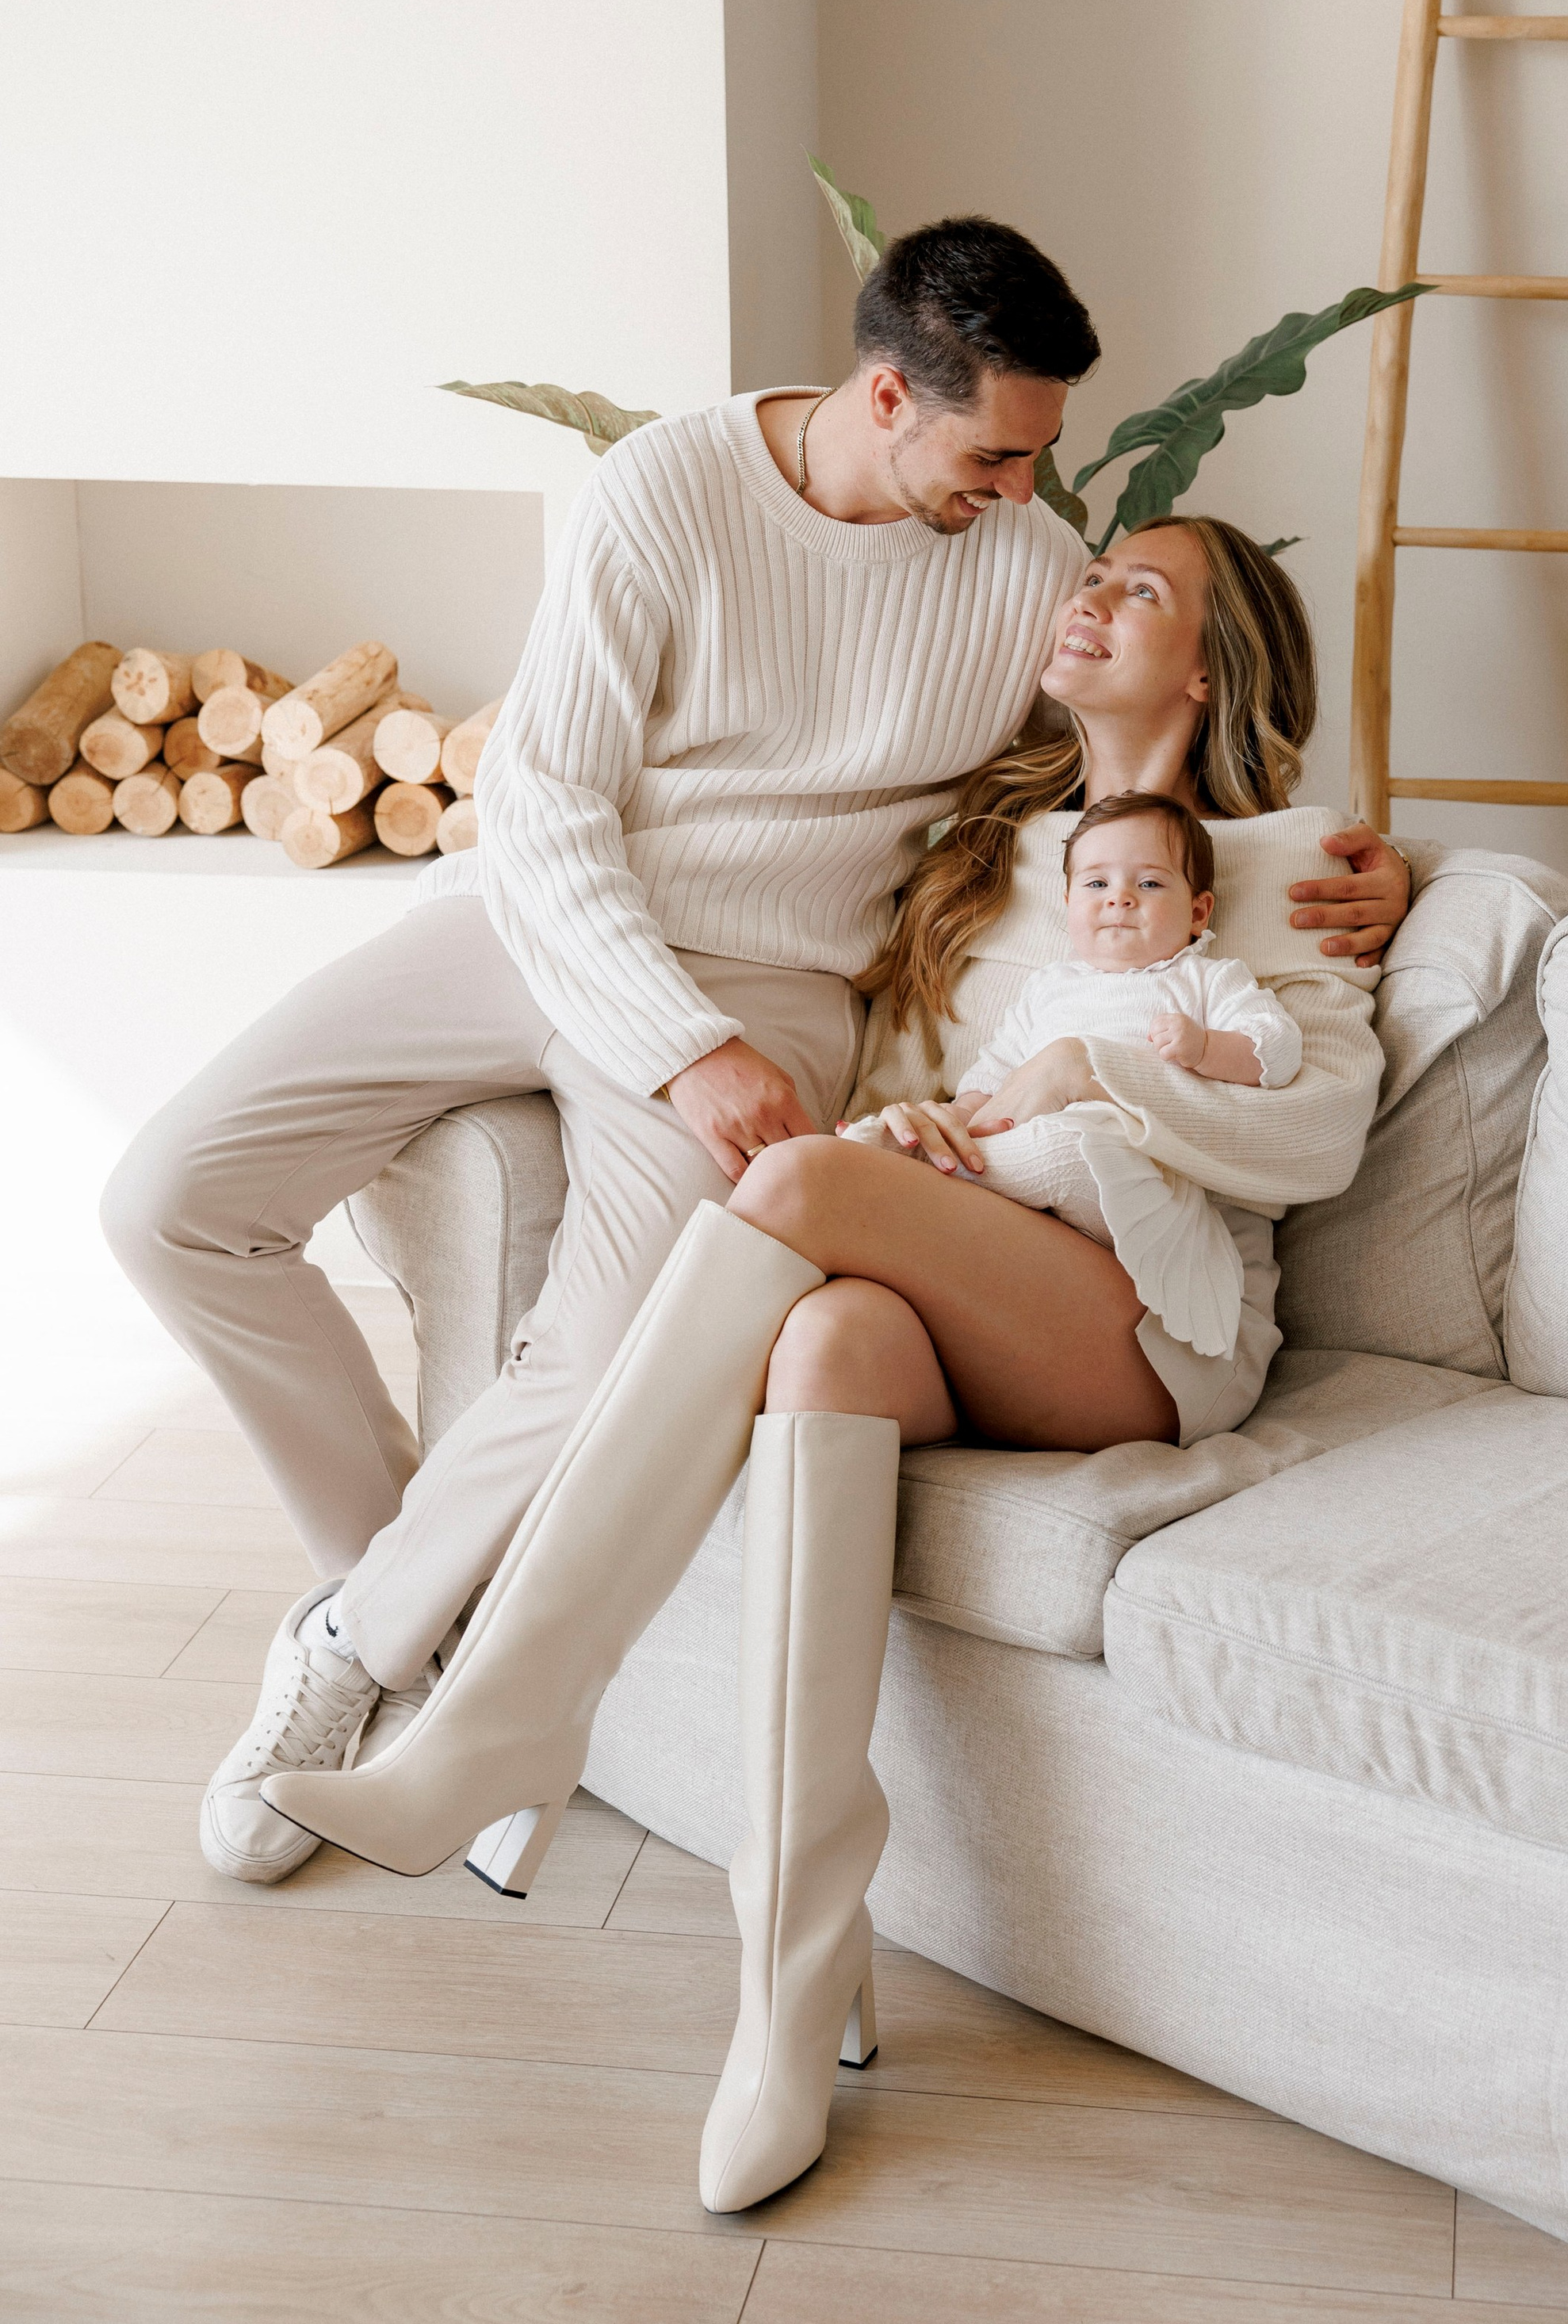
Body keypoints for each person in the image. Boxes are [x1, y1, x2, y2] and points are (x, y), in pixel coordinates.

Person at [100, 222, 1411, 1895]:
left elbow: (1165, 765)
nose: (1029, 496)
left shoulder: (1014, 566)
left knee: (596, 1345)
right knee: (168, 1204)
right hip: (559, 923)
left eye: (1044, 461)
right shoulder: (664, 493)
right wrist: (675, 1045)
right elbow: (542, 801)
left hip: (779, 978)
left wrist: (1365, 859)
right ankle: (396, 1602)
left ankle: (349, 1658)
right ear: (886, 394)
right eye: (999, 451)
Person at [261, 513, 1392, 2219]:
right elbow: (896, 1087)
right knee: (823, 1334)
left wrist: (1088, 1072)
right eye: (1087, 572)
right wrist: (917, 1134)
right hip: (959, 1277)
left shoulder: (1295, 863)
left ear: (1213, 665)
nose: (1082, 595)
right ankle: (790, 2007)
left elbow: (1310, 1129)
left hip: (1150, 1325)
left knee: (785, 1186)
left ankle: (504, 1711)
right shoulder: (968, 856)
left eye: (1135, 589)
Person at [856, 786, 1306, 1372]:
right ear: (1067, 901)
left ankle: (923, 1182)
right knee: (939, 1133)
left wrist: (1206, 1048)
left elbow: (1276, 1048)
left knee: (1068, 1146)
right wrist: (956, 1120)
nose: (1119, 899)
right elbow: (994, 1074)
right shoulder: (1049, 988)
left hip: (1145, 1182)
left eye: (1148, 884)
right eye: (1096, 885)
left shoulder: (1207, 980)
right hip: (1040, 1202)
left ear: (1198, 912)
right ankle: (930, 1166)